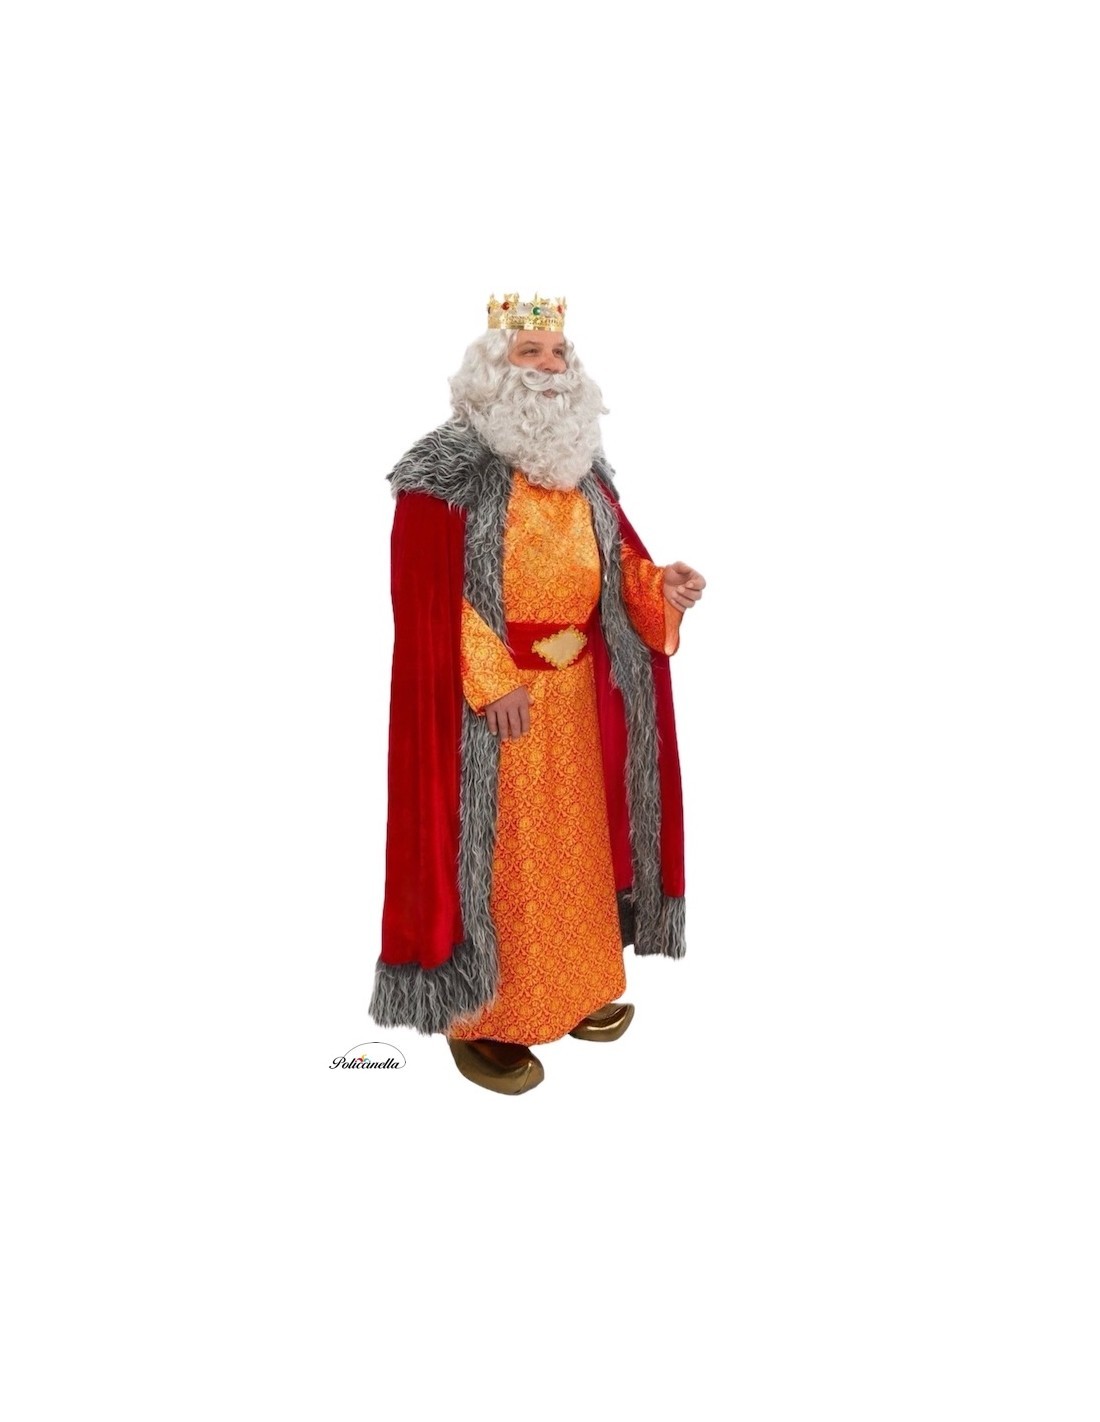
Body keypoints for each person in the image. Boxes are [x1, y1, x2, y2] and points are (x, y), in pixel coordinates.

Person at [369, 293, 705, 1094]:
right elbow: (426, 594)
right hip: (496, 709)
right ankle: (486, 1017)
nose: (550, 368)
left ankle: (576, 985)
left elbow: (619, 568)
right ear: (494, 368)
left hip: (577, 700)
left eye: (559, 354)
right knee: (502, 859)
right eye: (531, 354)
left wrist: (660, 586)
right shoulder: (445, 473)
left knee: (577, 852)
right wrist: (490, 678)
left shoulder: (583, 474)